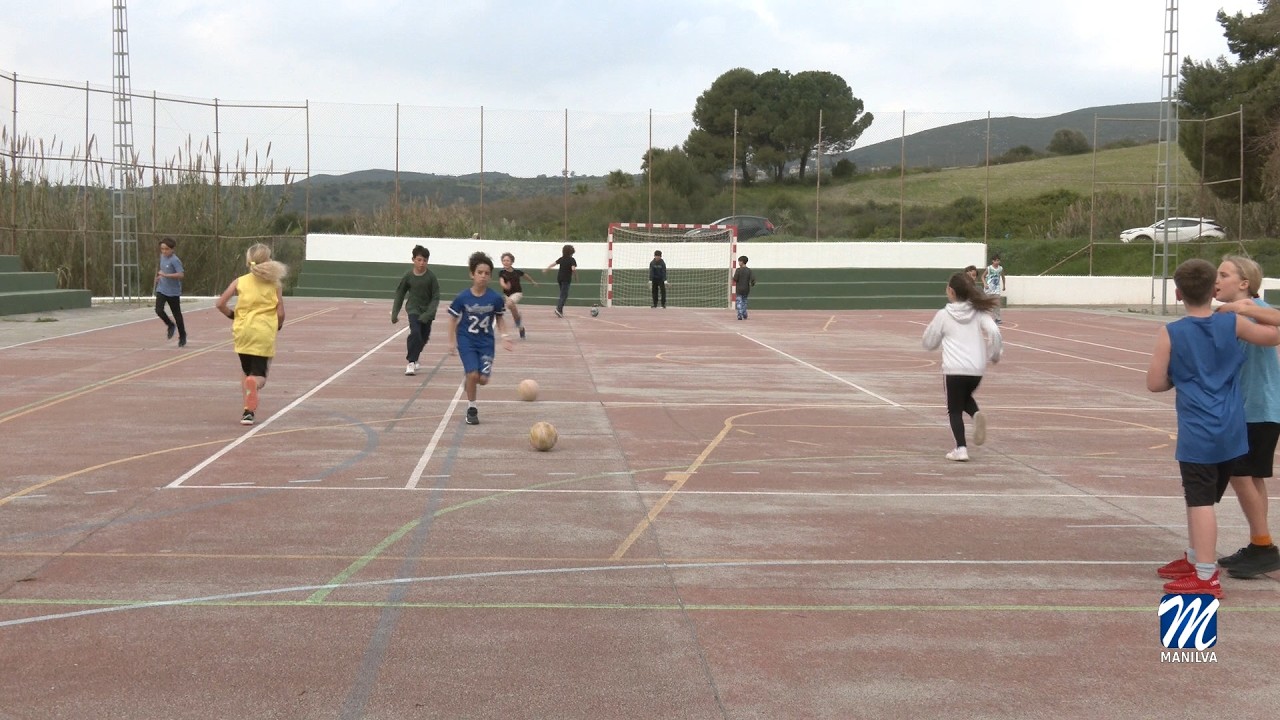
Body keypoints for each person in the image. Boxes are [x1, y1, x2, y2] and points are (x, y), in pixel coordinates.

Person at [1149, 258, 1280, 598]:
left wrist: (1177, 378)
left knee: (1204, 499)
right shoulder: (1231, 322)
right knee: (1226, 488)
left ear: (1177, 293)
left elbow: (1154, 382)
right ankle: (1204, 557)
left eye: (1227, 274)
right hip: (1234, 425)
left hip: (1219, 424)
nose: (1221, 281)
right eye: (1217, 277)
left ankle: (1211, 569)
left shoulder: (1176, 330)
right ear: (1211, 291)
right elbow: (1269, 336)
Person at [1212, 255, 1280, 579]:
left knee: (1240, 475)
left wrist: (1242, 309)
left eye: (1223, 274)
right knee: (1253, 477)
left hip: (1259, 408)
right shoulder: (1224, 315)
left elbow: (1276, 322)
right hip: (1247, 408)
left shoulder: (1258, 308)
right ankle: (1258, 544)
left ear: (1244, 284)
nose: (1217, 279)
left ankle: (1265, 546)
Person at [922, 272, 1003, 462]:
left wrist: (930, 343)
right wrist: (995, 354)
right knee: (964, 397)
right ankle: (976, 414)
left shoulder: (943, 315)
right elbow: (994, 331)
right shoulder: (979, 312)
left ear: (951, 291)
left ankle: (961, 448)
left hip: (954, 369)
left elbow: (929, 341)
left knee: (954, 408)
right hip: (976, 370)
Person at [214, 243, 287, 427]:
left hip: (242, 331)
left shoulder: (240, 281)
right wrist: (278, 326)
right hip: (263, 332)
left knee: (246, 371)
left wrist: (233, 315)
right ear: (268, 261)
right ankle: (254, 386)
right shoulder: (275, 283)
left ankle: (248, 411)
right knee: (259, 376)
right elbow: (280, 312)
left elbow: (220, 303)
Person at [448, 251, 515, 426]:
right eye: (480, 272)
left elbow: (500, 318)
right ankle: (472, 408)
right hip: (466, 341)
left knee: (482, 380)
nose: (483, 276)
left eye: (487, 273)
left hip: (486, 343)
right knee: (472, 374)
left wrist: (505, 336)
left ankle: (470, 380)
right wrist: (451, 341)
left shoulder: (495, 298)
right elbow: (453, 319)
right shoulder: (463, 297)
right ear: (472, 274)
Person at [390, 245, 441, 376]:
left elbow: (436, 297)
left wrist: (429, 313)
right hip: (413, 309)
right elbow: (400, 294)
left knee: (423, 337)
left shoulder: (431, 277)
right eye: (419, 260)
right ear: (413, 260)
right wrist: (395, 313)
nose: (421, 263)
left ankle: (415, 356)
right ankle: (411, 362)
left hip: (427, 312)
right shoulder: (408, 276)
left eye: (424, 260)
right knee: (415, 333)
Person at [154, 237, 188, 348]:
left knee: (177, 314)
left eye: (167, 249)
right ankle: (170, 324)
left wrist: (166, 275)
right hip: (162, 289)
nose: (164, 251)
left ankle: (182, 335)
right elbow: (163, 270)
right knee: (158, 310)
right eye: (162, 249)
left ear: (172, 249)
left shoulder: (175, 260)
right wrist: (160, 277)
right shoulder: (162, 257)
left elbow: (181, 275)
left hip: (173, 292)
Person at [499, 251, 538, 339]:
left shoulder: (517, 272)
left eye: (508, 260)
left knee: (509, 304)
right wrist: (505, 286)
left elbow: (525, 276)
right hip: (507, 295)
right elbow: (501, 282)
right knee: (512, 309)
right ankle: (520, 327)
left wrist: (532, 282)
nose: (505, 262)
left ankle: (518, 320)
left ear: (512, 262)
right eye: (504, 260)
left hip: (517, 293)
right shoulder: (502, 272)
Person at [544, 244, 577, 318]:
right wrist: (575, 276)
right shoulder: (572, 260)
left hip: (559, 278)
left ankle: (560, 311)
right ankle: (558, 309)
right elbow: (573, 269)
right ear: (571, 252)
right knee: (564, 295)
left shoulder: (561, 258)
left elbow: (554, 264)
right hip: (566, 279)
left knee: (563, 294)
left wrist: (547, 269)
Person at [983, 254, 1005, 324]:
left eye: (998, 260)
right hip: (988, 289)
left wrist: (1004, 285)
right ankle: (983, 318)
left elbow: (1003, 277)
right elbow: (982, 276)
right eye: (995, 260)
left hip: (996, 289)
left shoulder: (1000, 269)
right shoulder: (989, 268)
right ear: (993, 261)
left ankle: (997, 318)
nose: (997, 262)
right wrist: (985, 284)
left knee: (997, 304)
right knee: (986, 304)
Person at [732, 255, 756, 320]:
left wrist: (734, 278)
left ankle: (739, 314)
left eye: (739, 261)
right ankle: (744, 313)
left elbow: (735, 279)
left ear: (742, 262)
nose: (738, 263)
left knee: (739, 301)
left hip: (739, 289)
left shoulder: (738, 270)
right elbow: (753, 279)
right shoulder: (749, 270)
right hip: (746, 289)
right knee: (744, 301)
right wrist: (752, 284)